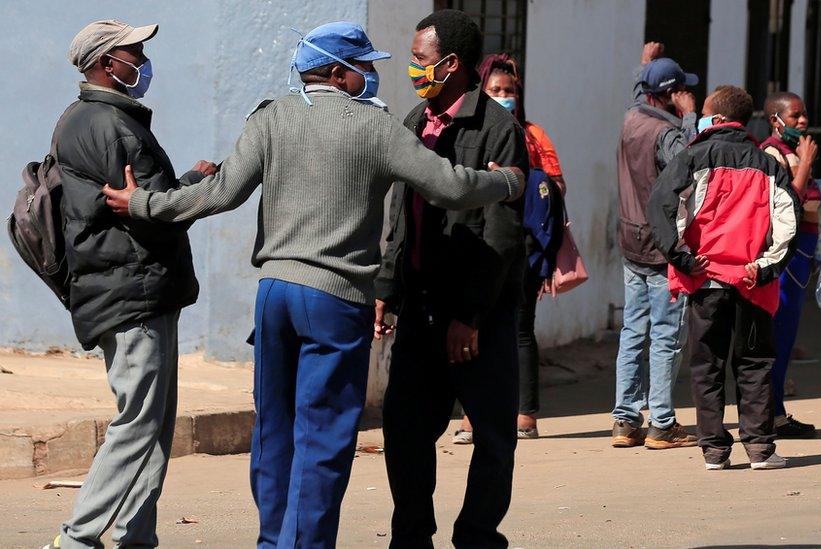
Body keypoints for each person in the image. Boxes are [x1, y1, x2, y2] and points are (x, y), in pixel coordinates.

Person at [101, 21, 525, 549]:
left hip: (275, 295)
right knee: (321, 439)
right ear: (340, 72)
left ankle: (273, 539)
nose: (373, 75)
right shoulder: (378, 127)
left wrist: (143, 204)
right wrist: (507, 181)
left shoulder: (271, 117)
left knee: (274, 433)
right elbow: (449, 185)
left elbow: (218, 193)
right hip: (335, 301)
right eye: (365, 66)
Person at [41, 20, 217, 549]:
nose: (141, 61)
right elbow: (150, 210)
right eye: (132, 53)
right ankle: (78, 538)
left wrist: (179, 186)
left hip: (135, 286)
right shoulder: (107, 125)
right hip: (131, 290)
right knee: (138, 423)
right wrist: (196, 184)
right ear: (103, 63)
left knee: (153, 426)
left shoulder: (97, 118)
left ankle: (135, 537)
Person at [374, 10, 529, 548]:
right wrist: (387, 289)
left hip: (475, 312)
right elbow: (401, 211)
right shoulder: (416, 120)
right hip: (419, 305)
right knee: (405, 428)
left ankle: (478, 537)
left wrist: (470, 316)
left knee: (492, 435)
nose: (413, 68)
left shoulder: (498, 131)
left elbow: (501, 235)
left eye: (420, 59)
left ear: (452, 63)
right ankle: (412, 536)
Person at [648, 85, 800, 471]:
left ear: (714, 120)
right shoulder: (767, 163)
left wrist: (682, 257)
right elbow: (789, 221)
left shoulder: (692, 156)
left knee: (707, 363)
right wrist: (766, 266)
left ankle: (714, 450)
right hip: (752, 282)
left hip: (706, 280)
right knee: (754, 363)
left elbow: (661, 207)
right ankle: (760, 448)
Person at [451, 52, 565, 444]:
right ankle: (471, 416)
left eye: (510, 90)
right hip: (477, 243)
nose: (504, 95)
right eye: (496, 89)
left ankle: (524, 414)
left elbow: (556, 192)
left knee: (518, 331)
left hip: (525, 248)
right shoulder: (468, 132)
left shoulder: (533, 135)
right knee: (473, 326)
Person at [611, 52, 701, 449]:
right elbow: (690, 164)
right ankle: (661, 423)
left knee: (633, 331)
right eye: (681, 91)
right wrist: (690, 118)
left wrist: (643, 66)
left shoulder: (632, 118)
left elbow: (639, 94)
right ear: (671, 95)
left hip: (631, 240)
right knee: (665, 334)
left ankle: (625, 420)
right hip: (661, 245)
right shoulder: (667, 133)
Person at [760, 91, 820, 439]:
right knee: (778, 337)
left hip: (801, 257)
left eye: (803, 114)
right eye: (794, 116)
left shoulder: (791, 152)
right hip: (786, 258)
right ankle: (770, 415)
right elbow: (784, 204)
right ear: (775, 120)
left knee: (786, 337)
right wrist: (807, 163)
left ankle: (777, 412)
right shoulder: (772, 153)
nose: (802, 121)